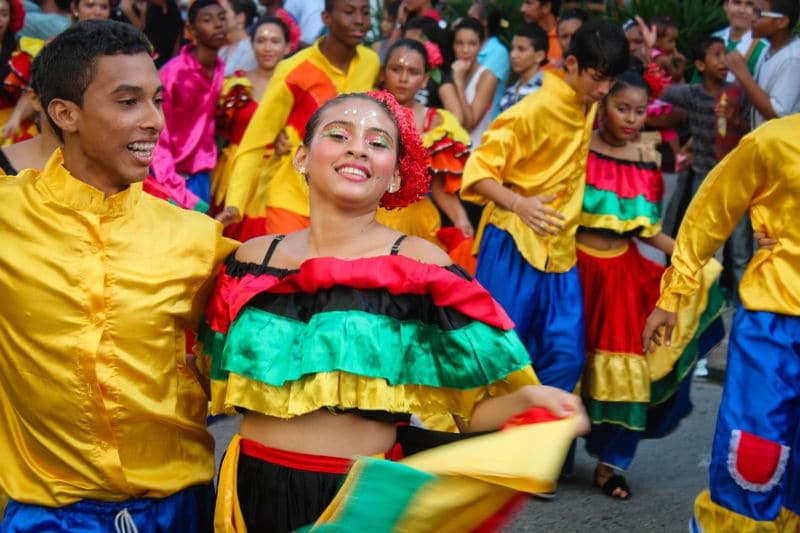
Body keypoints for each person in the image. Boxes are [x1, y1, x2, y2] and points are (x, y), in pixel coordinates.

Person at [198, 90, 588, 532]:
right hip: (244, 490)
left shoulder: (422, 265)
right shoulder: (251, 259)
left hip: (358, 503)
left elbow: (470, 409)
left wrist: (533, 399)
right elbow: (206, 374)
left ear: (396, 178)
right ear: (303, 157)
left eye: (378, 142)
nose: (358, 146)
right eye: (339, 133)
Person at [0, 20, 238, 531]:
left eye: (157, 100)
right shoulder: (6, 218)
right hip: (47, 517)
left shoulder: (195, 239)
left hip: (178, 510)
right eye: (128, 102)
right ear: (65, 114)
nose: (153, 120)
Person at [642, 112, 800, 533]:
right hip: (774, 322)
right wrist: (672, 295)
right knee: (754, 456)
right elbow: (710, 211)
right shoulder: (773, 141)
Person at [461, 19, 629, 393]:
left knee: (565, 358)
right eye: (597, 78)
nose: (603, 90)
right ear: (571, 65)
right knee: (501, 358)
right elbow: (477, 170)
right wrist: (518, 203)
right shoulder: (532, 110)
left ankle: (537, 446)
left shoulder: (585, 103)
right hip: (513, 244)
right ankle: (490, 447)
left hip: (560, 251)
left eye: (610, 81)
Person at [577, 70, 723, 500]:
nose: (631, 119)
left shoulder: (645, 158)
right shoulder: (577, 148)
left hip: (622, 274)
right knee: (566, 365)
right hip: (574, 271)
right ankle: (550, 455)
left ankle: (610, 465)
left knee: (627, 375)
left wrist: (691, 260)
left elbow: (647, 230)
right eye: (622, 108)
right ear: (602, 106)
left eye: (640, 112)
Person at [218, 0, 379, 235]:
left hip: (346, 200)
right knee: (289, 270)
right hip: (291, 197)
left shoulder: (370, 63)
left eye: (365, 13)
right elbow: (256, 139)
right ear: (326, 18)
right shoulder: (293, 70)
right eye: (349, 12)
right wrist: (235, 203)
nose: (360, 20)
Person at [662, 36, 751, 307]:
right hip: (703, 178)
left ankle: (742, 304)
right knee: (703, 243)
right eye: (716, 55)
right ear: (700, 64)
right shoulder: (693, 93)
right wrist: (672, 72)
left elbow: (751, 128)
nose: (724, 60)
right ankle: (704, 302)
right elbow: (661, 93)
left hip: (736, 178)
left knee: (739, 248)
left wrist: (733, 118)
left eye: (726, 54)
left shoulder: (738, 93)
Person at [377, 38, 475, 271]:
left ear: (425, 79)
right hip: (367, 218)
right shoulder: (363, 111)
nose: (403, 78)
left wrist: (461, 219)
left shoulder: (438, 122)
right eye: (396, 69)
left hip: (417, 222)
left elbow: (440, 185)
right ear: (383, 73)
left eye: (413, 72)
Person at [212, 14, 292, 238]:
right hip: (233, 175)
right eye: (261, 40)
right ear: (252, 44)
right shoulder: (233, 84)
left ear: (287, 47)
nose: (267, 47)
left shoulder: (296, 88)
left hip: (276, 178)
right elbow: (218, 135)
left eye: (275, 41)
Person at [151, 0, 227, 213]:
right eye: (207, 20)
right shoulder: (173, 74)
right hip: (170, 179)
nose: (218, 25)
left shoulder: (223, 72)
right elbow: (158, 137)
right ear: (191, 30)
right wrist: (177, 190)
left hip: (202, 176)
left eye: (222, 18)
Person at [725, 0, 800, 130]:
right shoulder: (769, 49)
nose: (751, 18)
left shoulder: (792, 59)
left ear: (781, 22)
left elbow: (778, 115)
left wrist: (744, 75)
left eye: (759, 14)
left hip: (779, 146)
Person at [450, 16, 497, 148]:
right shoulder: (450, 71)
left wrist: (458, 82)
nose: (465, 50)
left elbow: (471, 123)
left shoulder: (487, 76)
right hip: (449, 150)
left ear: (481, 45)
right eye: (459, 43)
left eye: (472, 44)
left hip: (474, 151)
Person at [468, 0, 510, 120]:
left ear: (484, 22)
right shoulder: (470, 47)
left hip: (486, 123)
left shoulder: (498, 51)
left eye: (470, 18)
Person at [498, 22, 548, 113]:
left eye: (521, 49)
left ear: (539, 56)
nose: (513, 55)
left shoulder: (547, 89)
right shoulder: (509, 93)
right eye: (512, 49)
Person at [714, 0, 768, 82]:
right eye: (737, 2)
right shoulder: (714, 39)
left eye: (749, 4)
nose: (741, 10)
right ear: (726, 5)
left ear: (759, 9)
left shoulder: (764, 48)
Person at [218, 0, 258, 75]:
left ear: (240, 18)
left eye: (223, 12)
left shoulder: (252, 50)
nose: (219, 17)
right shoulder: (222, 51)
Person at [519, 0, 561, 67]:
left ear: (546, 7)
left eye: (528, 3)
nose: (522, 9)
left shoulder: (567, 36)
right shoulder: (525, 36)